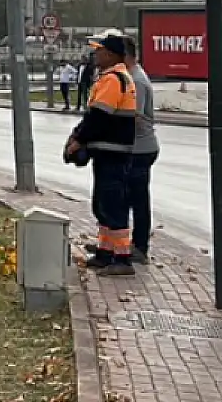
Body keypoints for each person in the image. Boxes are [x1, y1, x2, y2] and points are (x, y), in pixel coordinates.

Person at [65, 30, 140, 275]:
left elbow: (98, 117)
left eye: (99, 50)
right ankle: (106, 253)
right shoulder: (116, 77)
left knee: (112, 204)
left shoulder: (112, 80)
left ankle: (122, 259)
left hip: (112, 152)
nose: (95, 54)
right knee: (104, 204)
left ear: (110, 54)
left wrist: (78, 140)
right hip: (110, 151)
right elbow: (94, 116)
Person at [126, 41, 159, 264]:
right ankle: (126, 242)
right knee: (131, 197)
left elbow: (133, 117)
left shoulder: (136, 80)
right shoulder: (134, 76)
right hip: (138, 147)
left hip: (140, 148)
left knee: (138, 199)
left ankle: (140, 247)